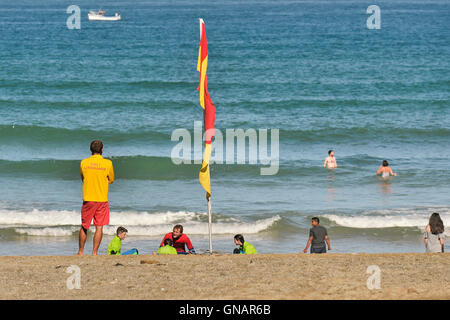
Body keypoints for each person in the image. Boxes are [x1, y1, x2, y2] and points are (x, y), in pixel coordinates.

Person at [77, 140, 115, 256]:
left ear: (90, 150)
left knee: (84, 226)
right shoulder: (108, 163)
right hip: (102, 199)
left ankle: (81, 251)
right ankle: (94, 252)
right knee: (99, 227)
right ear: (102, 150)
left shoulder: (84, 162)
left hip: (88, 198)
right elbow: (111, 179)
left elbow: (83, 178)